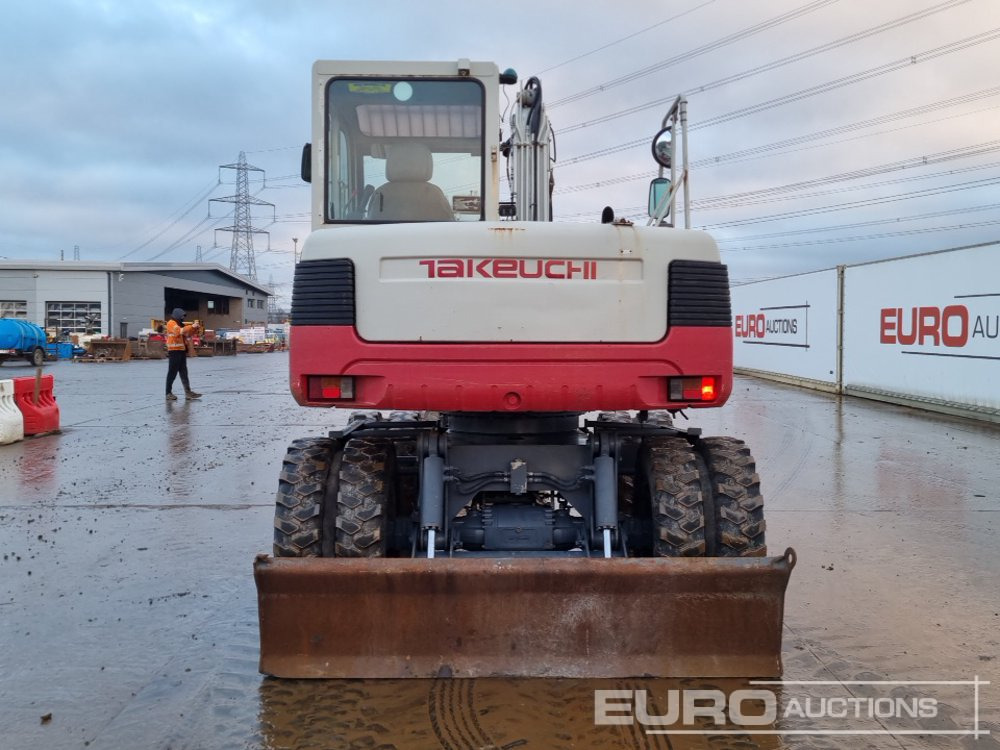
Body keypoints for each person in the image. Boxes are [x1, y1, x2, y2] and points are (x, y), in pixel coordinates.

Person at [165, 308, 202, 401]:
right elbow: (179, 331)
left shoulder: (180, 324)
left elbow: (187, 334)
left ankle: (188, 392)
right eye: (181, 317)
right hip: (174, 351)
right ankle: (168, 393)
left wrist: (194, 328)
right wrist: (191, 326)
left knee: (184, 373)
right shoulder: (171, 323)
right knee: (172, 373)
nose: (182, 319)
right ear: (177, 316)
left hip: (181, 351)